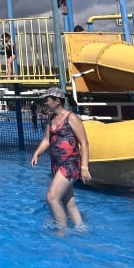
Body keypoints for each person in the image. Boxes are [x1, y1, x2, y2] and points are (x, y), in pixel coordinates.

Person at [30, 86, 91, 231]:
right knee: (68, 201)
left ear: (57, 100)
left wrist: (84, 168)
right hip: (56, 164)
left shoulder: (72, 118)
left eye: (47, 99)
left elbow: (84, 142)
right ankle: (81, 229)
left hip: (70, 164)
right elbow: (47, 140)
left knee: (51, 197)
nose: (45, 102)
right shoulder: (52, 119)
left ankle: (62, 230)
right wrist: (36, 153)